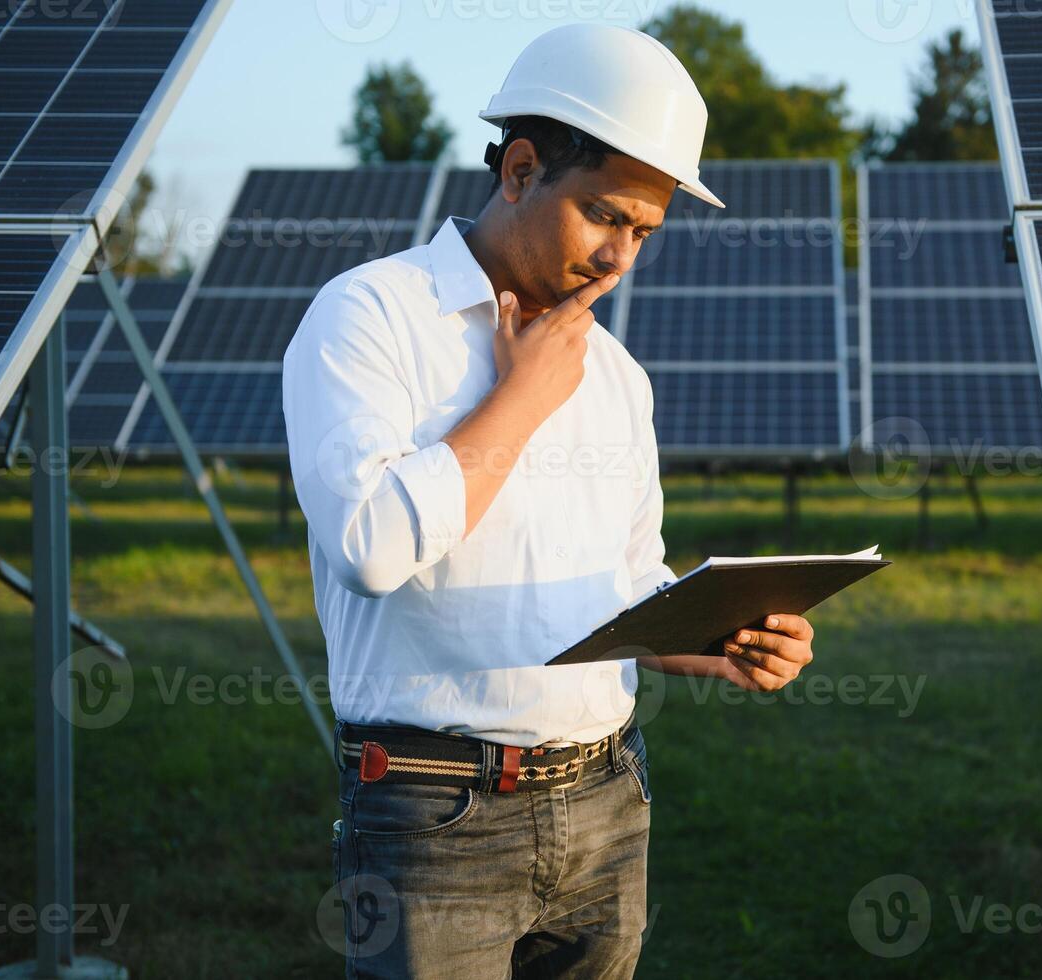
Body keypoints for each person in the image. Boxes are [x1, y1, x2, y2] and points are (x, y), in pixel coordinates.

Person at [282, 23, 819, 979]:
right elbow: (368, 547)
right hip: (434, 813)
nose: (621, 260)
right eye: (606, 217)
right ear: (521, 170)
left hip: (609, 796)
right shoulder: (368, 316)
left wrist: (726, 637)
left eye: (644, 233)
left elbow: (624, 591)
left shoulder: (616, 376)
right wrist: (519, 399)